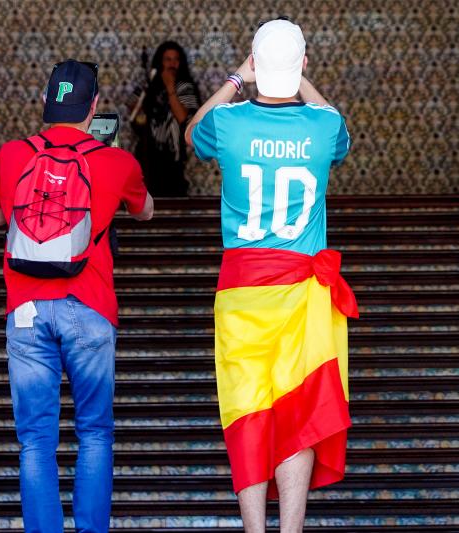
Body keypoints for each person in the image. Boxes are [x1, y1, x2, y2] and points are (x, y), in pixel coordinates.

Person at [185, 18, 356, 532]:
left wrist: (239, 79)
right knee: (299, 417)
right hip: (303, 292)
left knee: (248, 412)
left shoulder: (230, 123)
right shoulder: (323, 128)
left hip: (241, 292)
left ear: (257, 66)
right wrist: (297, 76)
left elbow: (193, 131)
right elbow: (336, 123)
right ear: (303, 66)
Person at [0, 59, 153, 533]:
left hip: (26, 309)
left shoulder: (12, 154)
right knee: (94, 432)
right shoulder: (117, 162)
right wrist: (111, 167)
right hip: (90, 307)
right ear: (94, 106)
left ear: (46, 103)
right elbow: (145, 211)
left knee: (36, 440)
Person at [132, 41, 200, 197]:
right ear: (160, 62)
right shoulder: (148, 84)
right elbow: (134, 113)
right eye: (167, 60)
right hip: (147, 154)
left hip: (173, 156)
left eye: (176, 59)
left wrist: (170, 87)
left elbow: (183, 118)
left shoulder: (185, 86)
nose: (172, 64)